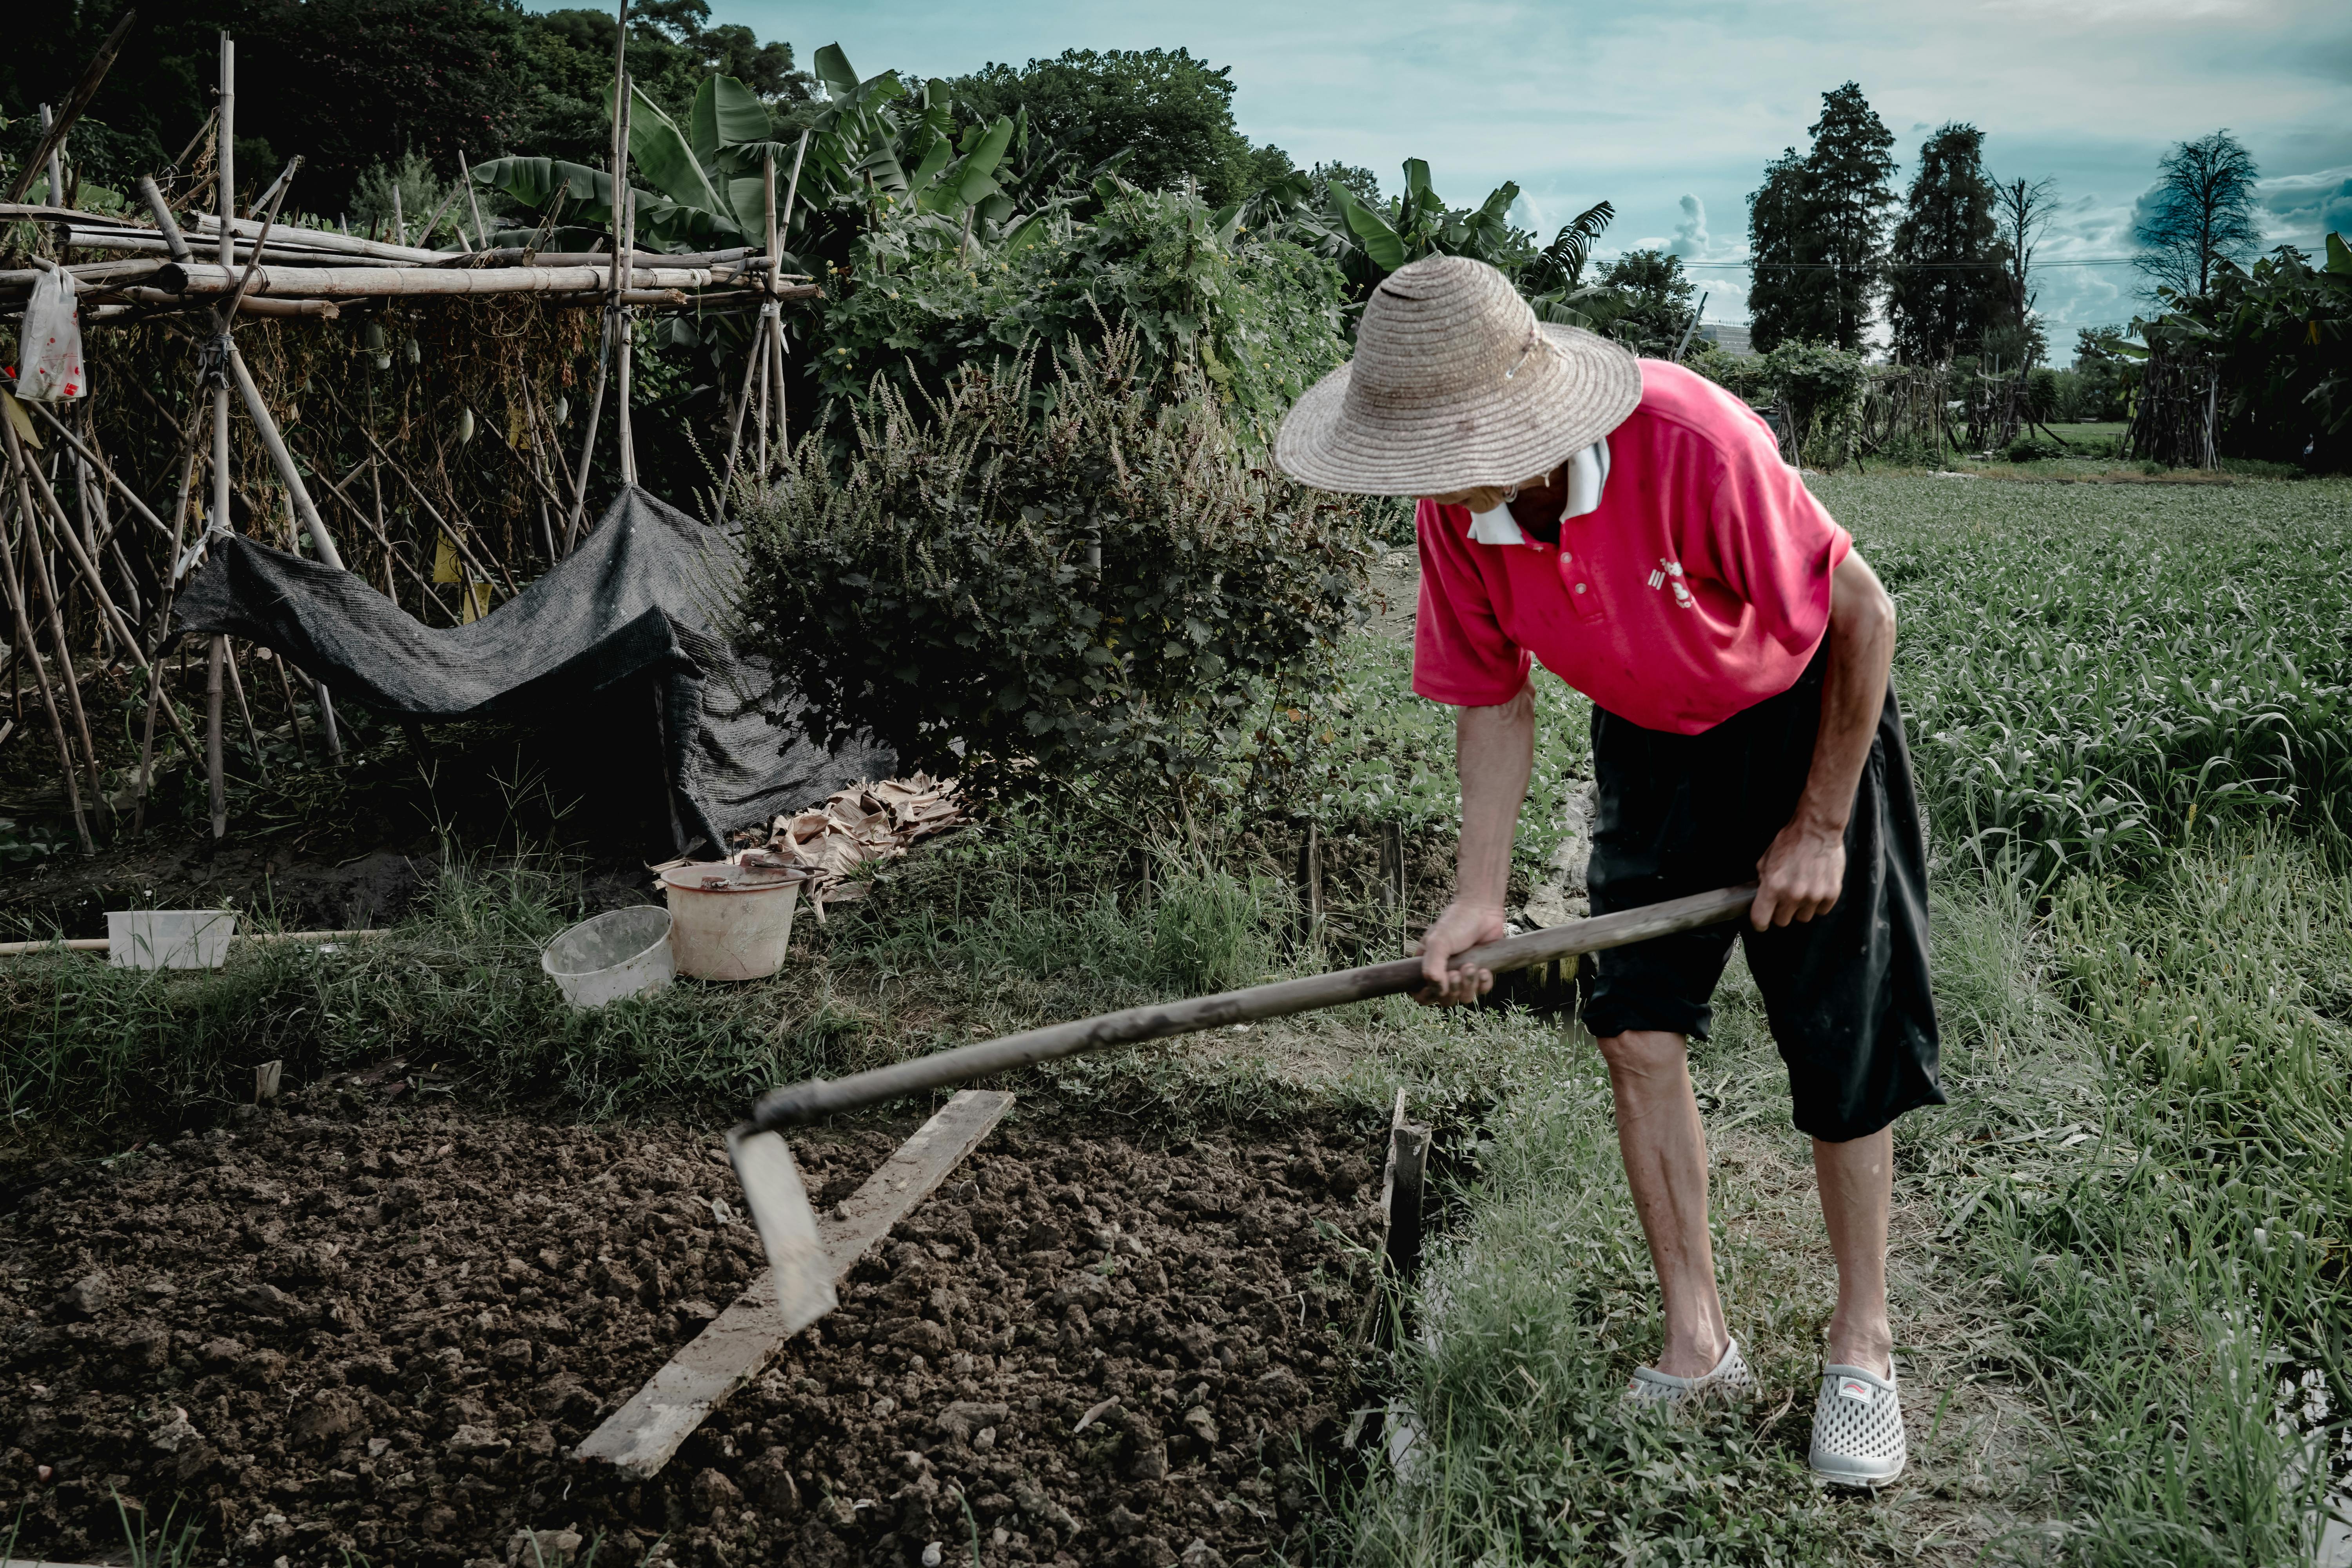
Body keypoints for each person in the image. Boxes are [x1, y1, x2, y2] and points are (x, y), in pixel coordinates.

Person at [1274, 255, 1941, 1487]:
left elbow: (1866, 613)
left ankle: (1865, 1346)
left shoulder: (1691, 439)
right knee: (1637, 1033)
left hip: (1802, 722)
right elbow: (1492, 699)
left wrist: (1821, 827)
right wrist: (1478, 892)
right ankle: (1699, 1341)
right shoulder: (1453, 512)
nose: (1420, 474)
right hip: (1652, 746)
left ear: (1507, 421)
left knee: (1846, 1048)